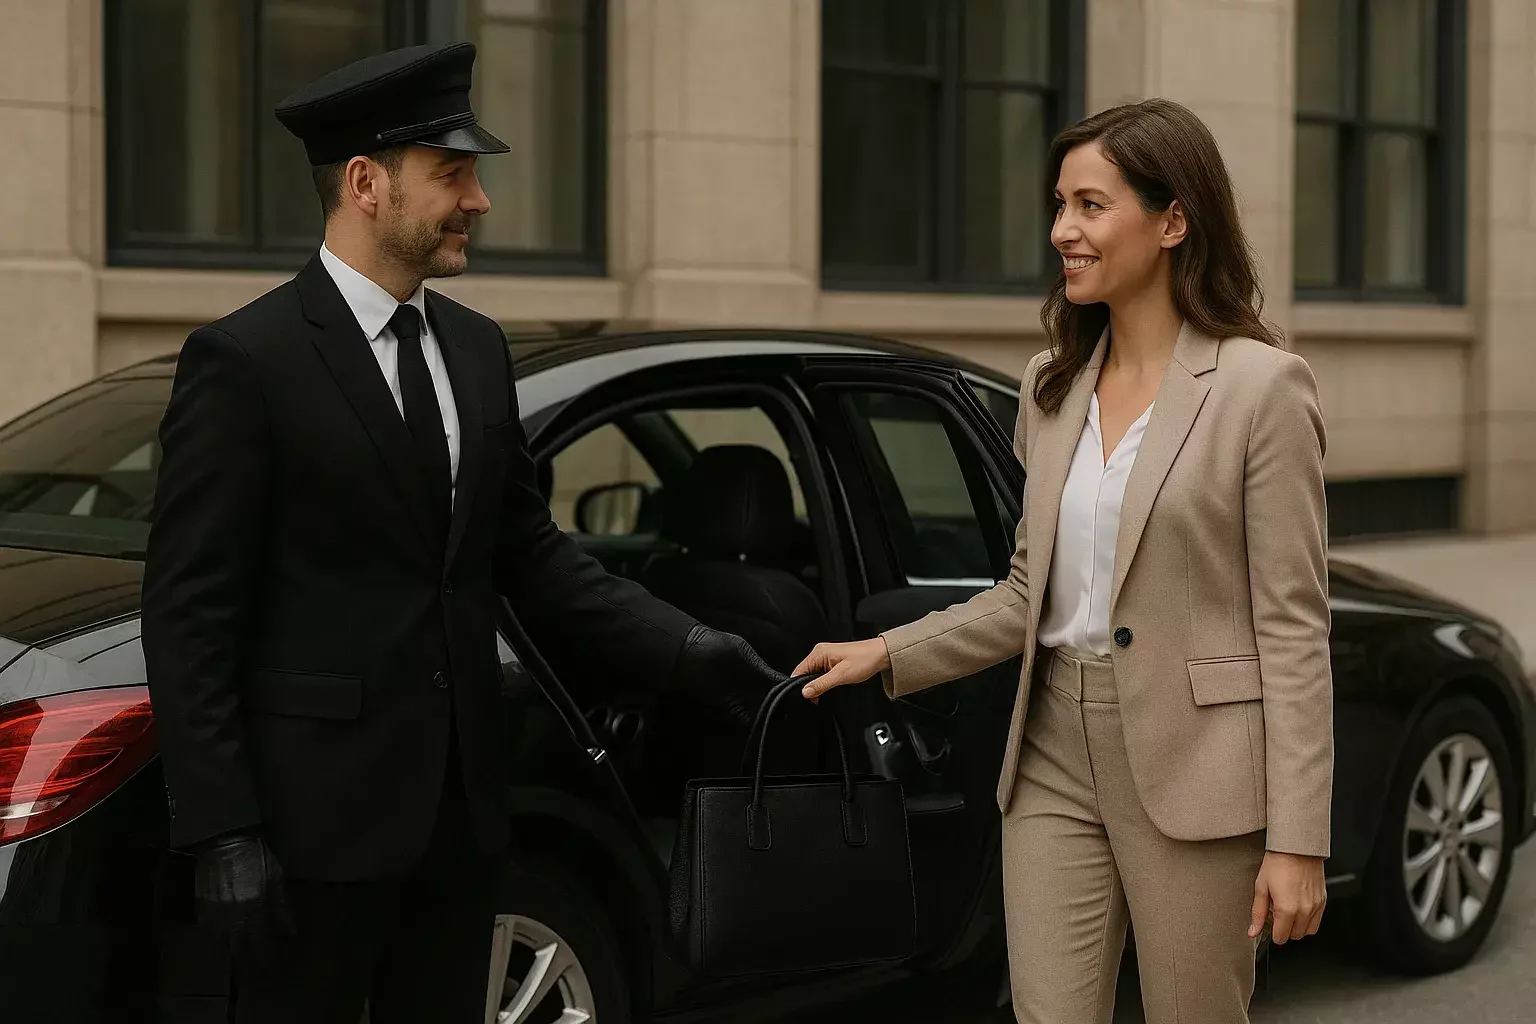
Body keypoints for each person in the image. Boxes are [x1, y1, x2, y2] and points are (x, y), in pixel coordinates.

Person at [140, 41, 780, 1024]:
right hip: (309, 833)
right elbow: (189, 615)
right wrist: (222, 829)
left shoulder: (477, 351)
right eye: (453, 174)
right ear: (367, 184)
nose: (478, 200)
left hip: (463, 824)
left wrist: (687, 648)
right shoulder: (246, 361)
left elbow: (531, 554)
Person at [795, 98, 1332, 1024]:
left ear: (1172, 221)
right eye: (1059, 205)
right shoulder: (1052, 387)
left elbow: (1293, 628)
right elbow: (1025, 594)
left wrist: (1298, 839)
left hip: (1197, 764)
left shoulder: (1260, 389)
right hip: (1049, 751)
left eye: (1090, 205)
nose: (1061, 232)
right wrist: (887, 651)